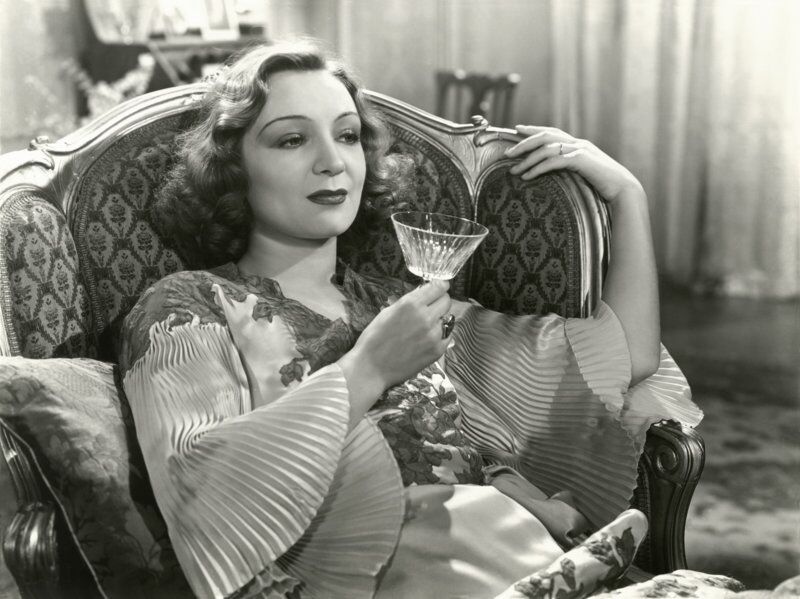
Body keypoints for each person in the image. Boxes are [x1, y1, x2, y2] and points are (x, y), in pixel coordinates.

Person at [119, 40, 714, 599]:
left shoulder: (399, 306)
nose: (332, 161)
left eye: (347, 135)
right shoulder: (187, 307)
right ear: (232, 169)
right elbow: (200, 484)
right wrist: (368, 368)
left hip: (509, 555)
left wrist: (627, 196)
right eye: (291, 140)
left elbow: (622, 356)